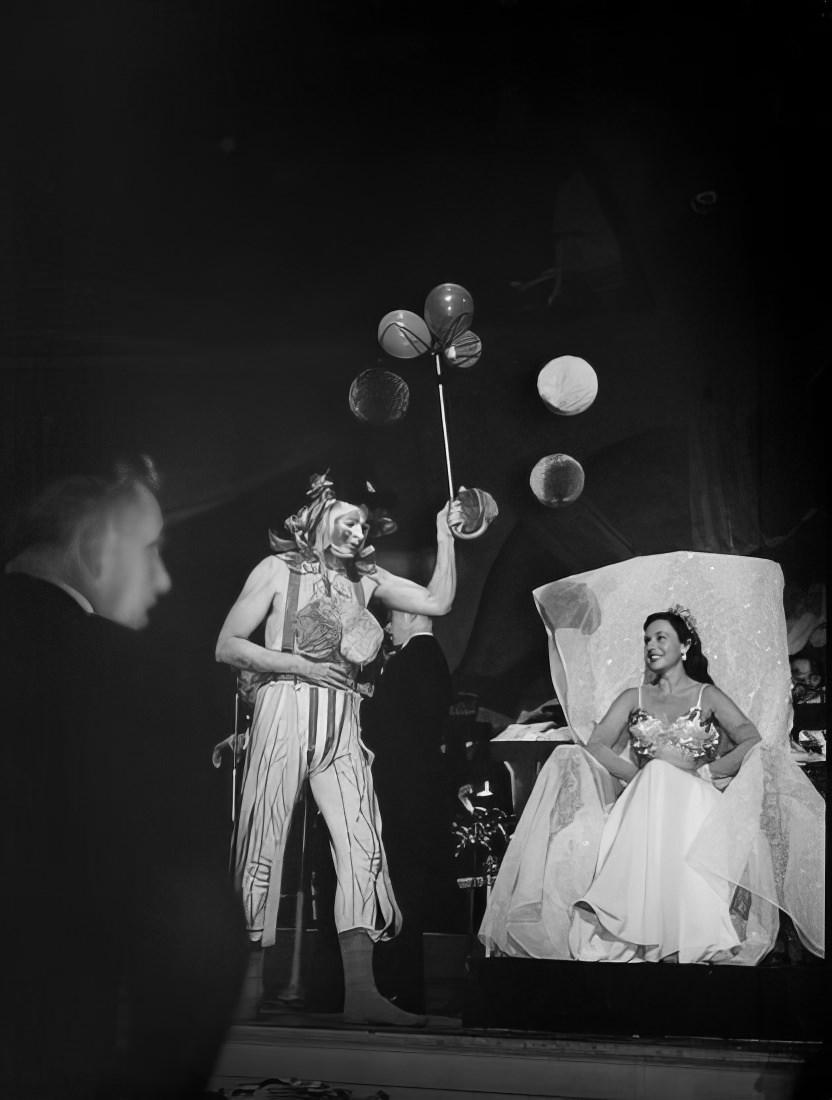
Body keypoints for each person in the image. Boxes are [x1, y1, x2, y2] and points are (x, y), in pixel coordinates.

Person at [0, 458, 249, 1099]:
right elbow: (190, 917)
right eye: (151, 551)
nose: (162, 580)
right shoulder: (116, 674)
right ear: (94, 550)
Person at [215, 471, 459, 1026]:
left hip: (343, 719)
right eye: (349, 520)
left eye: (364, 525)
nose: (357, 532)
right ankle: (245, 993)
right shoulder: (277, 571)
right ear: (322, 514)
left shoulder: (366, 580)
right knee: (263, 837)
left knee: (362, 844)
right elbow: (228, 644)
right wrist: (297, 664)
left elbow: (439, 602)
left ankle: (362, 993)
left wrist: (445, 536)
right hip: (286, 708)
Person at [567, 607, 761, 963]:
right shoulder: (633, 697)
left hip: (696, 798)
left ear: (684, 645)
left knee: (660, 776)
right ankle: (646, 927)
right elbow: (595, 746)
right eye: (646, 640)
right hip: (645, 800)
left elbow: (752, 739)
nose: (651, 646)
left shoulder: (708, 696)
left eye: (660, 638)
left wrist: (710, 772)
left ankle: (660, 928)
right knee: (655, 774)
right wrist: (635, 776)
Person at [360, 609, 458, 1013]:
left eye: (393, 617)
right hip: (417, 793)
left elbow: (395, 727)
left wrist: (357, 706)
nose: (387, 627)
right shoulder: (426, 658)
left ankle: (408, 986)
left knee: (407, 887)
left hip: (407, 795)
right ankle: (411, 985)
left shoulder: (415, 659)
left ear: (413, 615)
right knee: (412, 887)